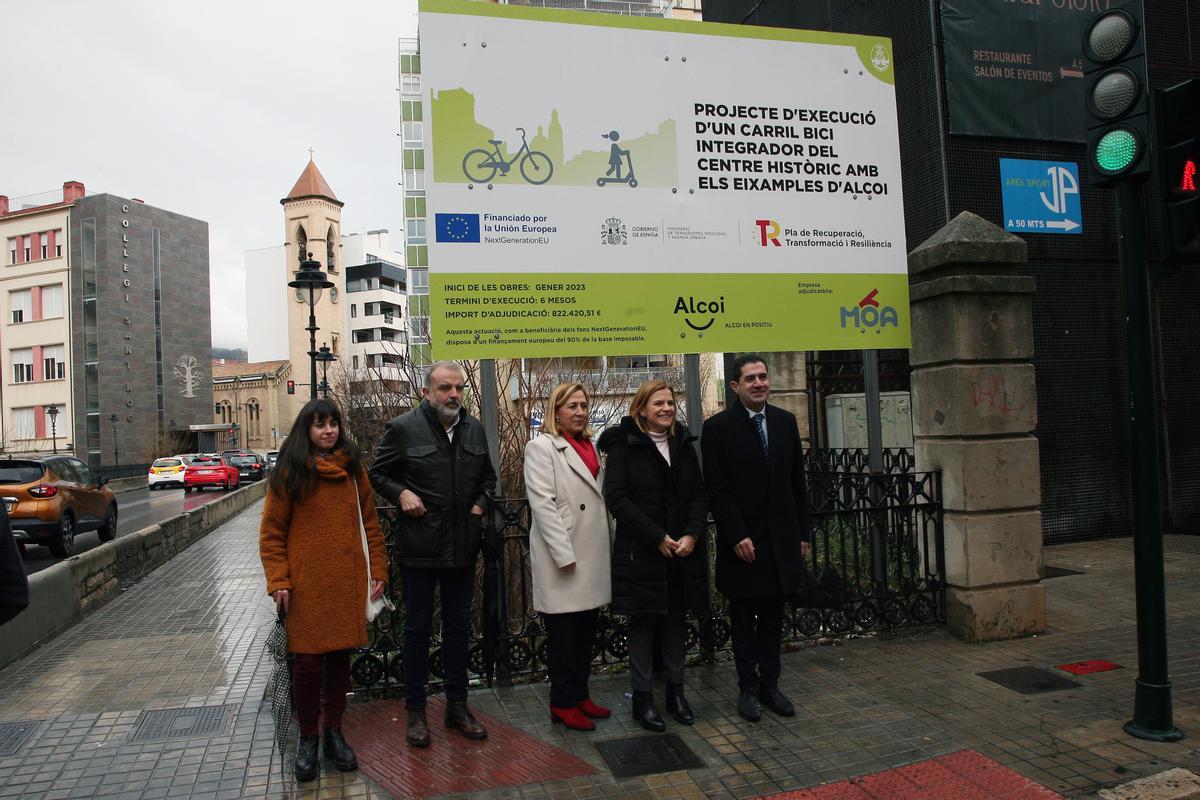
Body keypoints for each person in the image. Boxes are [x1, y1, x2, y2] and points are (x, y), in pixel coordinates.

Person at [259, 398, 387, 782]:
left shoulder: (352, 470)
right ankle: (308, 738)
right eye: (319, 424)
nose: (328, 430)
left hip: (348, 578)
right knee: (308, 664)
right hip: (306, 585)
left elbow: (371, 523)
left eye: (333, 423)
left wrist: (378, 569)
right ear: (307, 429)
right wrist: (278, 579)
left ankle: (334, 731)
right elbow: (272, 533)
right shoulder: (290, 471)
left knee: (339, 659)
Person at [370, 361, 496, 747]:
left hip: (462, 548)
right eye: (445, 388)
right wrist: (401, 493)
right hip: (420, 550)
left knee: (459, 630)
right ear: (427, 392)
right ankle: (416, 715)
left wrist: (479, 506)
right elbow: (377, 473)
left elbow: (489, 479)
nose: (454, 394)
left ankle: (457, 707)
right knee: (417, 632)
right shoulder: (403, 428)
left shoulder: (473, 428)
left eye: (458, 388)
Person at [701, 354, 812, 722]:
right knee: (743, 623)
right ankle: (746, 689)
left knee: (772, 620)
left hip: (781, 543)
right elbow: (716, 489)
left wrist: (803, 534)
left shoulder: (784, 422)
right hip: (743, 545)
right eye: (751, 379)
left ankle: (771, 687)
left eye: (763, 377)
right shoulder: (717, 428)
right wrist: (736, 535)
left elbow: (797, 483)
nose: (759, 383)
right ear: (735, 386)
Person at [599, 380, 708, 732]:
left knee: (675, 623)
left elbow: (697, 495)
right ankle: (643, 699)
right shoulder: (624, 447)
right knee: (643, 627)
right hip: (641, 553)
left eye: (670, 402)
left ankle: (676, 693)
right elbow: (617, 499)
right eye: (658, 403)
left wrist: (691, 533)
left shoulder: (684, 444)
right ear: (642, 408)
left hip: (682, 552)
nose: (666, 408)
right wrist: (656, 536)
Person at [523, 383, 612, 731]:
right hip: (564, 554)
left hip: (591, 551)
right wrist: (563, 554)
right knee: (563, 636)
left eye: (584, 405)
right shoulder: (541, 446)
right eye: (572, 406)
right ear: (555, 411)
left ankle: (580, 695)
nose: (579, 412)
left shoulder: (589, 445)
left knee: (586, 631)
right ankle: (562, 702)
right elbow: (542, 504)